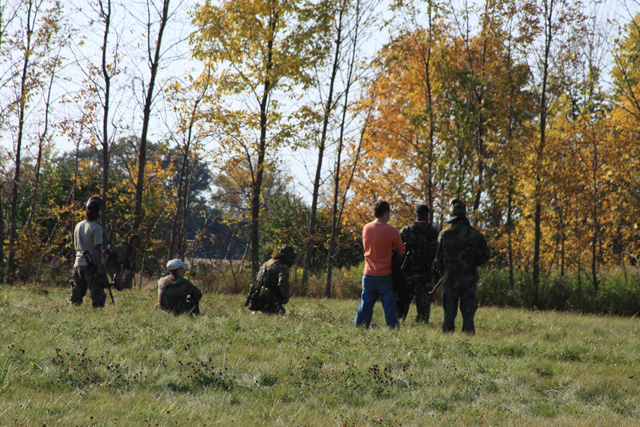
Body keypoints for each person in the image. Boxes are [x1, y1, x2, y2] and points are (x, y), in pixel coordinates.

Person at [435, 199, 490, 335]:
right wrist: (473, 264)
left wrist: (444, 272)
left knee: (449, 312)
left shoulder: (444, 234)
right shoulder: (475, 234)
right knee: (468, 313)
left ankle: (447, 339)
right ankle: (468, 338)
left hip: (449, 279)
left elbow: (438, 259)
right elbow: (485, 255)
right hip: (469, 279)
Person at [354, 200, 405, 329]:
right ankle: (392, 327)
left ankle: (360, 326)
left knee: (365, 303)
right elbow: (401, 252)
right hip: (386, 274)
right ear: (386, 213)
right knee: (389, 304)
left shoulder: (366, 228)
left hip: (369, 273)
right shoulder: (392, 231)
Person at [399, 204, 439, 323]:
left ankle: (398, 324)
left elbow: (397, 251)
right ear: (427, 216)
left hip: (407, 274)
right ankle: (422, 324)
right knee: (424, 308)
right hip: (426, 274)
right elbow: (438, 254)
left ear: (416, 215)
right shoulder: (434, 232)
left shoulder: (406, 230)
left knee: (402, 304)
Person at [70, 196, 109, 308]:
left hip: (78, 264)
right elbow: (97, 248)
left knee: (77, 289)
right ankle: (97, 311)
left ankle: (74, 309)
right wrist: (100, 267)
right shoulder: (96, 228)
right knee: (97, 290)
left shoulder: (78, 226)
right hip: (91, 264)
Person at [245, 245, 296, 315]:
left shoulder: (267, 263)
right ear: (288, 257)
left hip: (257, 299)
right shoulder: (283, 266)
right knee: (281, 312)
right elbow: (283, 283)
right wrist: (285, 297)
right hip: (270, 300)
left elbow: (258, 279)